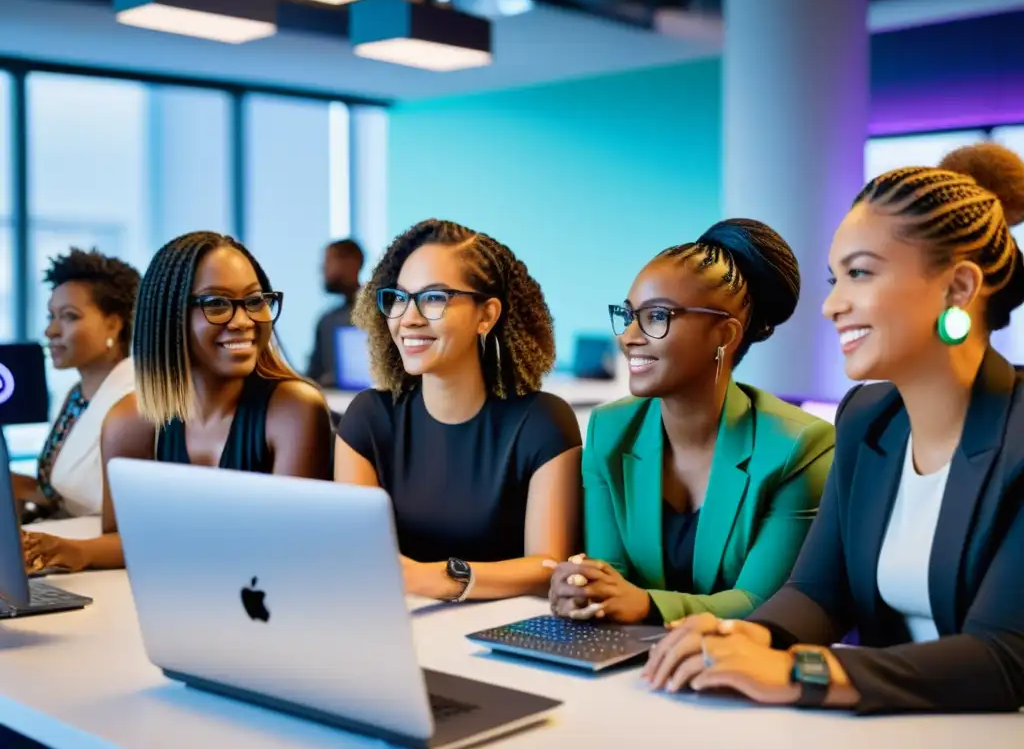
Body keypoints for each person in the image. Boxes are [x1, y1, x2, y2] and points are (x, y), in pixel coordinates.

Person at [642, 142, 1024, 715]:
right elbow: (818, 591)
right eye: (834, 279)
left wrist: (802, 671)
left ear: (960, 289)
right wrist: (755, 636)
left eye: (860, 274)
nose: (832, 305)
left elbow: (1004, 658)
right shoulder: (867, 418)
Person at [547, 220, 835, 626]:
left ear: (725, 334)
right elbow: (612, 576)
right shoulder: (609, 431)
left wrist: (648, 605)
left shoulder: (799, 446)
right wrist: (584, 587)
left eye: (657, 316)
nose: (628, 336)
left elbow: (762, 602)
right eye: (629, 316)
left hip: (741, 670)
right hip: (630, 662)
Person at [21, 231, 334, 573]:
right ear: (168, 315)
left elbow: (292, 546)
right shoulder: (128, 421)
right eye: (217, 304)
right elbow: (129, 539)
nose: (243, 320)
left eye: (255, 301)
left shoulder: (293, 409)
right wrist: (71, 551)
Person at [334, 218, 582, 601]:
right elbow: (358, 561)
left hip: (500, 644)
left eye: (434, 297)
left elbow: (548, 566)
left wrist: (437, 578)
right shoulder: (369, 420)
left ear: (487, 315)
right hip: (393, 631)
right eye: (399, 297)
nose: (409, 317)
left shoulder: (543, 423)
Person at [12, 248, 140, 522]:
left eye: (69, 316)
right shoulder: (75, 396)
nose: (51, 331)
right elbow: (65, 491)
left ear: (114, 325)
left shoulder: (134, 402)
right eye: (51, 317)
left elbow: (119, 514)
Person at [307, 238, 365, 388]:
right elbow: (314, 374)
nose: (322, 268)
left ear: (352, 263)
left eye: (328, 261)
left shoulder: (382, 313)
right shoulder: (327, 320)